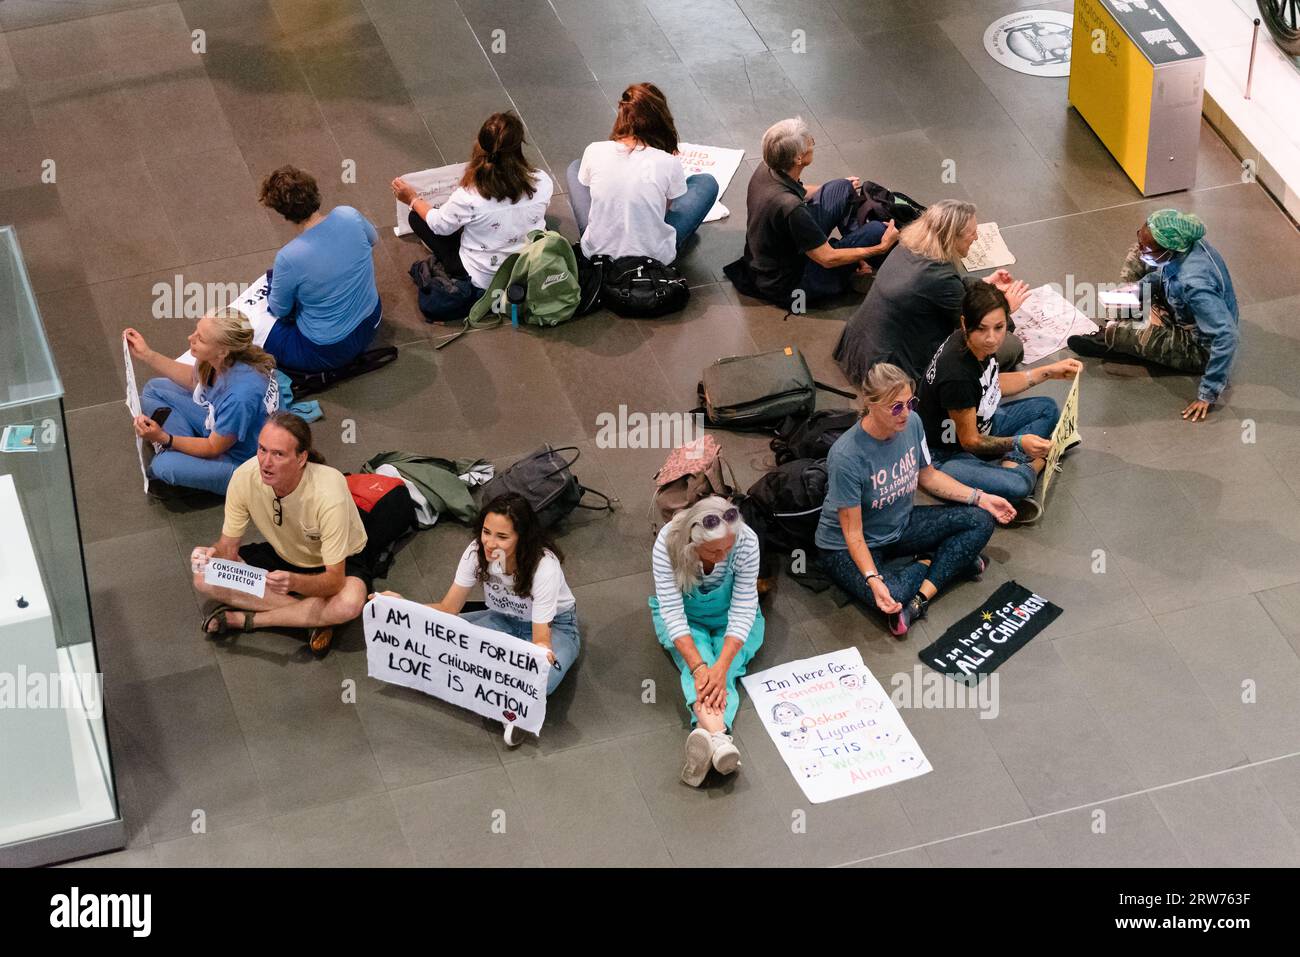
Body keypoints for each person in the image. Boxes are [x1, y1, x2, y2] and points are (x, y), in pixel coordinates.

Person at [815, 363, 1016, 637]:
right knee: (891, 594)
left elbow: (929, 476)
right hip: (846, 546)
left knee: (980, 520)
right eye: (896, 407)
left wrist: (980, 497)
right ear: (870, 404)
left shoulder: (913, 424)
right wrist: (873, 579)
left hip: (900, 525)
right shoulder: (847, 457)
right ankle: (936, 560)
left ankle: (920, 597)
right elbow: (853, 533)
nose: (906, 413)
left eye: (910, 402)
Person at [380, 493, 579, 746]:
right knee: (439, 641)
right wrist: (399, 606)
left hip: (555, 628)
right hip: (501, 619)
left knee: (542, 675)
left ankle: (516, 711)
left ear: (523, 537)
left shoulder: (544, 567)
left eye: (502, 537)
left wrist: (539, 659)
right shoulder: (476, 552)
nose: (490, 543)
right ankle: (506, 696)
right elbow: (448, 608)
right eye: (486, 532)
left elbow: (541, 639)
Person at [192, 413, 372, 658]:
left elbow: (335, 581)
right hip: (283, 554)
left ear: (301, 458)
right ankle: (314, 619)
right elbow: (228, 547)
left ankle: (250, 620)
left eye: (278, 454)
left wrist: (294, 583)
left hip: (340, 562)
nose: (265, 463)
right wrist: (213, 553)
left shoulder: (329, 493)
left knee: (349, 603)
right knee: (204, 577)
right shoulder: (245, 477)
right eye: (262, 450)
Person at [917, 283, 1082, 523]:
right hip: (946, 453)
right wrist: (1019, 443)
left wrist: (1048, 371)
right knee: (1017, 486)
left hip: (981, 423)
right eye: (982, 329)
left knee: (1046, 407)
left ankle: (1009, 464)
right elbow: (970, 440)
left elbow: (992, 385)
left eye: (999, 327)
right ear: (965, 324)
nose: (992, 338)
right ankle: (1034, 464)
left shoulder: (976, 345)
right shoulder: (957, 376)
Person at [1068, 209, 1239, 422]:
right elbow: (1164, 272)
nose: (1142, 248)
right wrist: (1139, 288)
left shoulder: (1195, 286)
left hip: (1199, 347)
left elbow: (1226, 336)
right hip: (1181, 306)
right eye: (1141, 236)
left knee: (1126, 333)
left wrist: (1208, 393)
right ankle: (1133, 314)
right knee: (1135, 258)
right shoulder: (1187, 247)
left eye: (1148, 248)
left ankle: (1113, 338)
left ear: (1170, 250)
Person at [833, 199, 1030, 385]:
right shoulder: (940, 277)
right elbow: (972, 325)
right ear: (952, 237)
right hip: (889, 370)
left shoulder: (909, 247)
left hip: (858, 347)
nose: (976, 237)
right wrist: (1005, 309)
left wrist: (986, 285)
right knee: (1010, 347)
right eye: (971, 233)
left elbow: (947, 291)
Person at [391, 112, 554, 322]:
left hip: (480, 276)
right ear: (519, 145)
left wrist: (412, 198)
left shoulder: (470, 195)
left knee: (417, 218)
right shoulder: (542, 181)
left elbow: (439, 225)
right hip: (525, 266)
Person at [725, 116, 900, 307]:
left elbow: (796, 190)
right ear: (798, 158)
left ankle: (858, 260)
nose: (813, 144)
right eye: (811, 143)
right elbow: (827, 259)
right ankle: (869, 261)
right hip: (789, 283)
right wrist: (879, 247)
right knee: (878, 231)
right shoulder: (791, 208)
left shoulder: (767, 168)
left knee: (841, 187)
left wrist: (830, 188)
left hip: (775, 254)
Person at [650, 497, 764, 787]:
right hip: (687, 622)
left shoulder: (746, 540)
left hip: (732, 620)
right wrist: (701, 668)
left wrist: (721, 666)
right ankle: (719, 739)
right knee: (698, 669)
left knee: (728, 670)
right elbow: (673, 614)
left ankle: (711, 736)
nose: (723, 556)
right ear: (692, 542)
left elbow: (743, 606)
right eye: (714, 551)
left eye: (728, 548)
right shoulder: (667, 543)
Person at [125, 308, 279, 497]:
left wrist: (164, 438)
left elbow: (213, 447)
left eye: (201, 339)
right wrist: (148, 354)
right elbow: (194, 381)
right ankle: (186, 454)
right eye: (196, 331)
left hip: (245, 462)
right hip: (221, 429)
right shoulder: (225, 358)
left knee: (163, 466)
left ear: (223, 351)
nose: (191, 338)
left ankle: (183, 457)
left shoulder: (240, 396)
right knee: (154, 389)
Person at [566, 83, 718, 266]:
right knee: (705, 183)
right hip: (652, 258)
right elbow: (664, 211)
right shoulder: (668, 162)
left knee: (576, 168)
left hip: (597, 253)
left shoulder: (594, 150)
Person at [259, 165, 382, 373]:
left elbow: (280, 309)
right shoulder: (349, 214)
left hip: (328, 350)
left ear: (282, 212)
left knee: (255, 328)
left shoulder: (289, 257)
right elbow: (373, 240)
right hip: (372, 320)